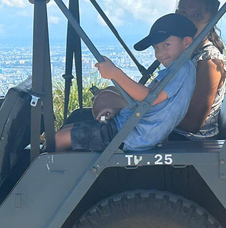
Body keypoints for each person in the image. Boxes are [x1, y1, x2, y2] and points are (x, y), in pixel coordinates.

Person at [56, 14, 198, 152]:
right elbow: (151, 104)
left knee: (60, 139)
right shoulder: (179, 69)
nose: (160, 54)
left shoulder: (180, 69)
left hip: (130, 135)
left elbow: (149, 98)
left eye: (166, 45)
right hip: (131, 128)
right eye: (156, 48)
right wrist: (119, 111)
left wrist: (115, 73)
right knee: (67, 130)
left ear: (186, 42)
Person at [173, 0, 226, 139]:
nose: (187, 20)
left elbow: (193, 123)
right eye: (183, 13)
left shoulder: (209, 61)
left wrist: (141, 113)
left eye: (197, 15)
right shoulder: (184, 52)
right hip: (172, 133)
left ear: (211, 21)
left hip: (189, 141)